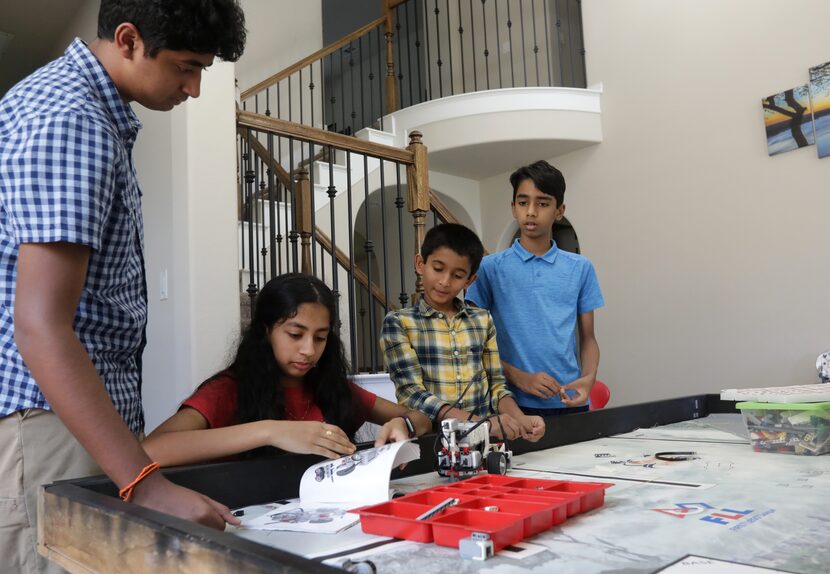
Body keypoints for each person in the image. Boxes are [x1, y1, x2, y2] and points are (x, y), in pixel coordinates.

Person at [0, 1, 247, 571]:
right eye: (186, 66)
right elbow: (40, 326)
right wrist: (145, 481)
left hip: (59, 419)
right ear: (129, 40)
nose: (194, 89)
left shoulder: (75, 107)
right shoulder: (74, 119)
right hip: (45, 425)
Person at [142, 274, 431, 466]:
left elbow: (420, 419)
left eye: (320, 337)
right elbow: (149, 451)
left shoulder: (329, 387)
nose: (308, 349)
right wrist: (270, 431)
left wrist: (403, 425)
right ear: (266, 331)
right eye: (295, 334)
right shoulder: (229, 389)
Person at [380, 223, 545, 442]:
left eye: (457, 275)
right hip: (433, 441)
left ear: (469, 280)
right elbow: (413, 395)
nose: (444, 282)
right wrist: (481, 423)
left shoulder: (482, 320)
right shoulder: (399, 322)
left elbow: (496, 385)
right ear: (420, 264)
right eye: (438, 269)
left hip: (486, 440)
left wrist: (519, 418)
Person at [466, 160, 604, 416]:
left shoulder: (580, 268)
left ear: (559, 210)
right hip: (510, 403)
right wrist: (518, 377)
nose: (531, 211)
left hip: (568, 401)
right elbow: (474, 342)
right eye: (523, 202)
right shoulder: (489, 268)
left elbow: (588, 338)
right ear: (513, 208)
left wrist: (588, 378)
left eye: (542, 203)